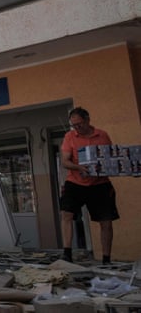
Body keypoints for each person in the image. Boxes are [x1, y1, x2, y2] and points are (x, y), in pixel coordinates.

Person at [60, 106, 119, 264]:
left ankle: (106, 258)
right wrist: (79, 167)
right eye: (74, 125)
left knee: (106, 221)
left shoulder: (102, 135)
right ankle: (67, 253)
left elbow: (111, 157)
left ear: (87, 120)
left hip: (99, 183)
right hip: (75, 181)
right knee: (66, 214)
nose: (77, 128)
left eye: (79, 124)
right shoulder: (70, 136)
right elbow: (65, 161)